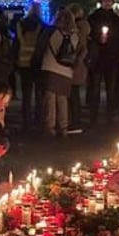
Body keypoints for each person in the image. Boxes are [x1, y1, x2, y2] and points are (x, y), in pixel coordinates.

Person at [38, 8, 86, 138]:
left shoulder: (51, 32)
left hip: (50, 67)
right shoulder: (75, 35)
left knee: (50, 100)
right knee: (62, 99)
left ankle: (50, 128)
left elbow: (41, 48)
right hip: (66, 70)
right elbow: (82, 51)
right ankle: (63, 127)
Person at [87, 0, 119, 125]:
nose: (108, 3)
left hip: (112, 58)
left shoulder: (117, 20)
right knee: (95, 88)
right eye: (105, 1)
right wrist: (99, 39)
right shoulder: (93, 18)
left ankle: (110, 116)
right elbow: (89, 36)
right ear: (101, 2)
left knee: (111, 88)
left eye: (110, 1)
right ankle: (93, 117)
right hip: (97, 57)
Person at [15, 2, 44, 131]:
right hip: (37, 63)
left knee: (26, 94)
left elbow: (16, 44)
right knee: (39, 94)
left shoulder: (21, 24)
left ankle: (26, 122)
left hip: (23, 62)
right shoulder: (42, 25)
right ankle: (39, 120)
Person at [69, 3, 92, 130]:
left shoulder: (78, 30)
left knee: (73, 93)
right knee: (74, 93)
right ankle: (75, 118)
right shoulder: (84, 30)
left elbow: (82, 50)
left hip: (76, 65)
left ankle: (75, 120)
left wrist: (75, 62)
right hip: (80, 66)